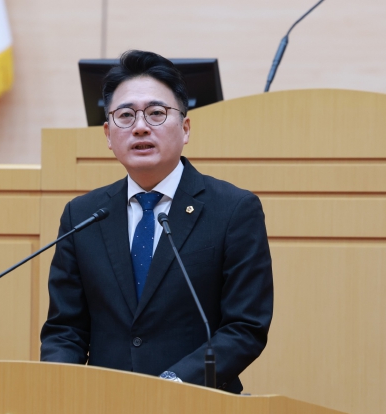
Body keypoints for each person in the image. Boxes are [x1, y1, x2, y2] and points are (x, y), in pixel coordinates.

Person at [40, 50, 274, 393]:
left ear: (185, 128)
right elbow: (65, 330)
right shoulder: (83, 215)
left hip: (198, 405)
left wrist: (170, 385)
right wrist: (61, 389)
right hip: (102, 407)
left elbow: (245, 327)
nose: (140, 127)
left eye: (156, 113)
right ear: (107, 135)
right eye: (125, 115)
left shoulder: (233, 210)